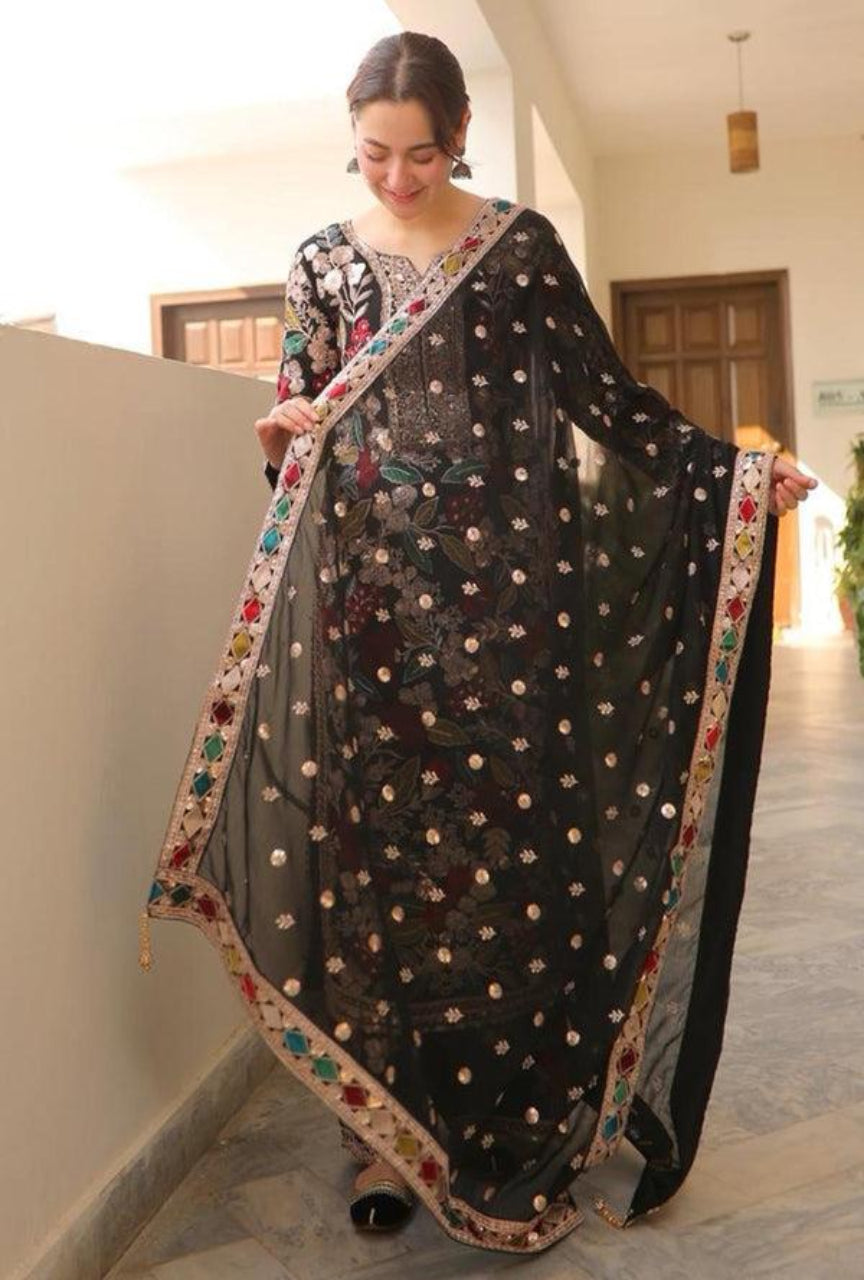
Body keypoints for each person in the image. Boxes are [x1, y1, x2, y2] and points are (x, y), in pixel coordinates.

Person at [141, 31, 815, 1255]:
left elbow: (609, 401)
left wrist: (740, 474)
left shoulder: (517, 250)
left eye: (421, 153)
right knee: (384, 873)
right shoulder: (322, 265)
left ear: (459, 139)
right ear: (353, 142)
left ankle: (529, 1117)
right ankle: (382, 1140)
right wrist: (281, 428)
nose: (396, 177)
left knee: (518, 863)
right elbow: (297, 421)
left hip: (514, 622)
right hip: (375, 622)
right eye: (374, 155)